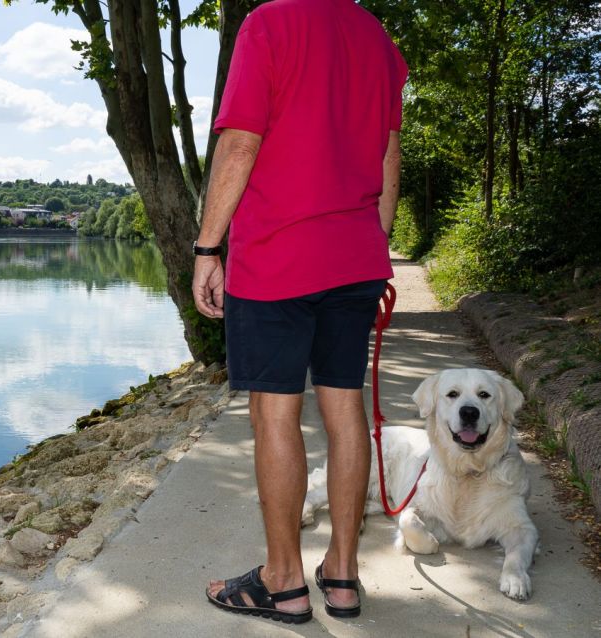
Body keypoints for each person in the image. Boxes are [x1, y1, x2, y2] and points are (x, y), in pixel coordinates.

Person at [192, 0, 407, 623]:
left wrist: (209, 247)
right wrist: (374, 249)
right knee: (344, 409)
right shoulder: (374, 35)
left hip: (276, 258)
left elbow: (240, 144)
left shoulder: (269, 23)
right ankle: (342, 575)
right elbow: (388, 156)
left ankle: (283, 582)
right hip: (354, 258)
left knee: (275, 413)